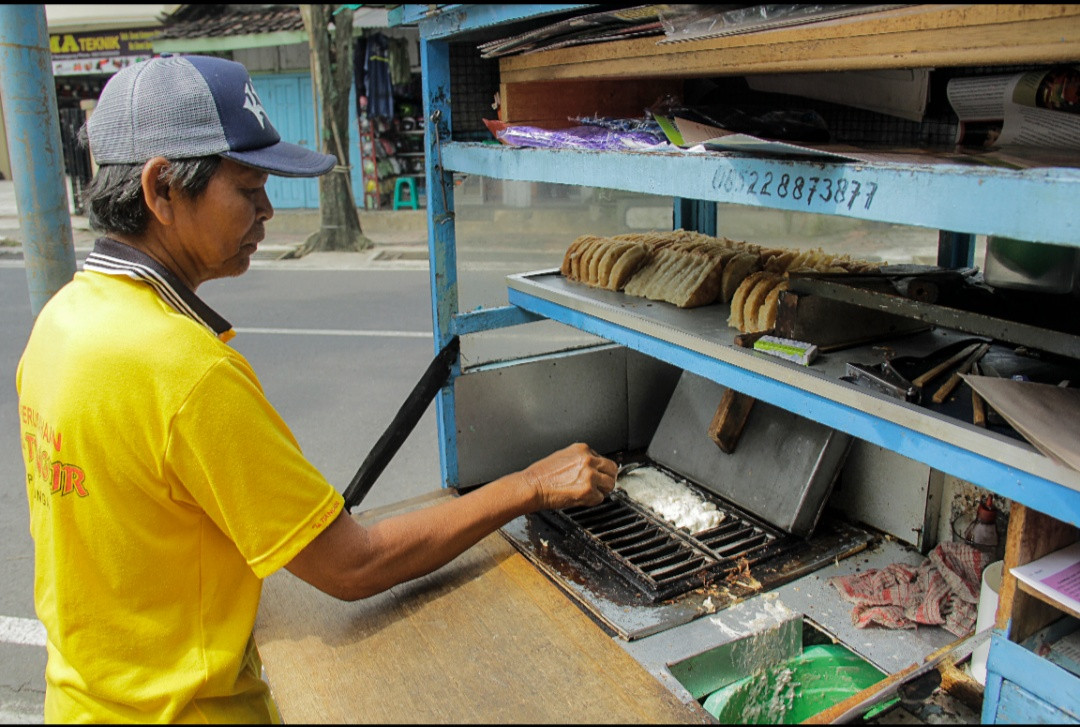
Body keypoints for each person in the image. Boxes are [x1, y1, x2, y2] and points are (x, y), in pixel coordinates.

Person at [16, 55, 616, 723]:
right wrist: (530, 483)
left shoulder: (63, 320)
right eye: (248, 189)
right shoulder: (183, 368)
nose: (269, 210)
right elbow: (353, 564)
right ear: (161, 190)